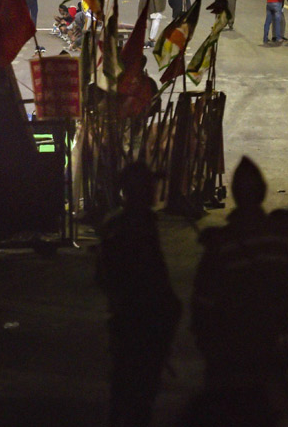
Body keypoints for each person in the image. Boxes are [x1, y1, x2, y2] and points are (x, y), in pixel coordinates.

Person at [188, 157, 288, 426]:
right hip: (268, 359)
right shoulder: (282, 243)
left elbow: (202, 309)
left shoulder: (221, 247)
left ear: (235, 194)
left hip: (227, 363)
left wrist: (212, 352)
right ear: (264, 192)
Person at [95, 161, 181, 427]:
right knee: (137, 396)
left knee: (124, 390)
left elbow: (102, 277)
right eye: (150, 185)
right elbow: (147, 277)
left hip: (129, 319)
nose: (155, 190)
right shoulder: (136, 227)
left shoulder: (121, 224)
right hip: (140, 321)